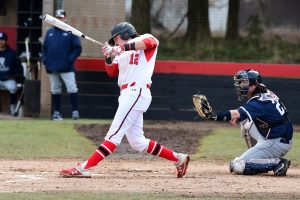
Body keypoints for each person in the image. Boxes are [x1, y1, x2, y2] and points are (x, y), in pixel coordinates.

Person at [59, 22, 190, 178]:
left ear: (125, 34)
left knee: (113, 135)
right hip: (126, 94)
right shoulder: (120, 53)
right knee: (137, 142)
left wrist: (120, 48)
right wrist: (108, 57)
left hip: (137, 91)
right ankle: (179, 158)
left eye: (116, 39)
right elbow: (112, 72)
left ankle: (84, 167)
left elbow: (149, 43)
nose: (115, 42)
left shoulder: (145, 38)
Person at [209, 69, 293, 176]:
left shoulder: (258, 102)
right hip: (277, 136)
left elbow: (235, 114)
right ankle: (257, 156)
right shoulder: (265, 93)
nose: (240, 85)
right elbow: (242, 115)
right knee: (245, 121)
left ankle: (278, 163)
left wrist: (214, 116)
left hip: (275, 143)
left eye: (244, 82)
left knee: (237, 165)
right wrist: (238, 116)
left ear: (254, 85)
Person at [42, 9, 82, 120]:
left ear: (65, 18)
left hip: (67, 67)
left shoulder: (71, 31)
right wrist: (45, 60)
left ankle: (75, 112)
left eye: (61, 17)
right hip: (52, 67)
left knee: (72, 88)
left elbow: (77, 48)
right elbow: (44, 49)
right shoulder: (50, 32)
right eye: (57, 18)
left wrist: (69, 60)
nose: (59, 19)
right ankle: (57, 113)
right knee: (55, 89)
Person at [0, 32, 23, 115]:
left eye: (2, 40)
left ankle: (12, 106)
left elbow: (18, 67)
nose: (0, 42)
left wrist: (15, 76)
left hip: (8, 79)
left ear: (5, 41)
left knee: (13, 87)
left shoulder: (12, 53)